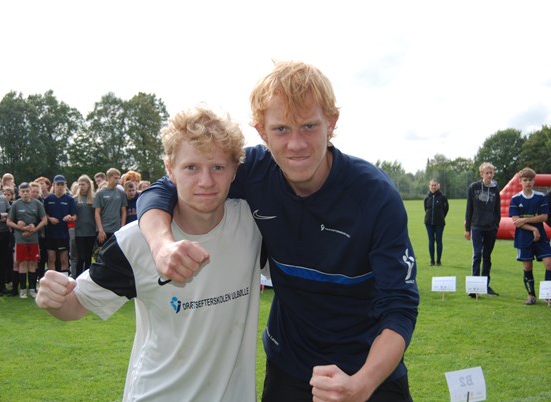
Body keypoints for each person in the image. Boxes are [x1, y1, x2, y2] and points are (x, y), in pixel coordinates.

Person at [137, 61, 419, 401]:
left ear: (331, 123)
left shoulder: (374, 195)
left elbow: (400, 307)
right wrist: (162, 245)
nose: (296, 144)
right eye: (282, 129)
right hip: (289, 369)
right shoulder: (254, 172)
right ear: (261, 131)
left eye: (309, 126)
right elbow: (165, 187)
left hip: (370, 373)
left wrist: (361, 384)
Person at [36, 106, 262, 401]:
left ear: (234, 171)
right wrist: (53, 299)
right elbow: (76, 305)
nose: (205, 181)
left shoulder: (253, 224)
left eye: (217, 167)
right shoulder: (135, 242)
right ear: (170, 170)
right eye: (191, 167)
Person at [509, 167, 551, 305]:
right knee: (527, 267)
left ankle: (548, 294)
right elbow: (516, 222)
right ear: (520, 182)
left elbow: (544, 217)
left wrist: (525, 220)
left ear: (534, 181)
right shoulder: (515, 199)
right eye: (525, 180)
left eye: (530, 180)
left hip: (541, 237)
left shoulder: (540, 197)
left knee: (549, 264)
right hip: (523, 238)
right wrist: (533, 228)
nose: (528, 182)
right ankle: (531, 295)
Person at [465, 162, 501, 297]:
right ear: (481, 174)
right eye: (487, 172)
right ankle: (474, 287)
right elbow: (469, 208)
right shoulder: (473, 187)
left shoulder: (495, 189)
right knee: (477, 255)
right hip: (476, 226)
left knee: (487, 256)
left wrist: (495, 225)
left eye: (491, 172)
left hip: (491, 228)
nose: (489, 175)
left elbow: (498, 210)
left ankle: (485, 286)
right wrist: (467, 228)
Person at [7, 182, 47, 298]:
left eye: (27, 191)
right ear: (19, 193)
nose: (25, 193)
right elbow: (9, 222)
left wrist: (34, 230)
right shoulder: (16, 205)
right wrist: (21, 228)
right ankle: (23, 289)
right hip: (20, 240)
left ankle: (32, 289)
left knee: (33, 263)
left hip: (34, 239)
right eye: (22, 192)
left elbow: (44, 220)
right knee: (23, 263)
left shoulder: (37, 204)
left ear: (31, 192)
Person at [44, 175, 77, 276]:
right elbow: (44, 215)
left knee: (64, 259)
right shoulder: (48, 199)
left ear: (65, 185)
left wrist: (70, 217)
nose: (60, 187)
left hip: (63, 234)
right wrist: (50, 219)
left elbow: (75, 216)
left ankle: (64, 281)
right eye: (58, 184)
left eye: (62, 184)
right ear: (53, 185)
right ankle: (51, 282)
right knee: (51, 259)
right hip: (50, 233)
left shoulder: (69, 199)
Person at [93, 168, 126, 246]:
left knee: (115, 253)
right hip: (104, 229)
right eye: (115, 178)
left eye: (119, 178)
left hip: (117, 229)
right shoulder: (100, 194)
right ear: (108, 178)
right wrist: (100, 230)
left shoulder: (121, 193)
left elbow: (124, 212)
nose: (117, 180)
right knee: (102, 253)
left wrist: (122, 228)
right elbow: (97, 213)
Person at [73, 175, 97, 278]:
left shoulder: (94, 199)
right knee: (80, 257)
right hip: (79, 231)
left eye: (83, 184)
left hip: (91, 231)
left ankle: (87, 278)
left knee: (88, 257)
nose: (81, 186)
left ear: (88, 185)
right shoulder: (74, 199)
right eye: (80, 185)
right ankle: (78, 277)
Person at [424, 179, 449, 266]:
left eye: (435, 185)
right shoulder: (427, 198)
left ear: (438, 186)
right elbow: (426, 209)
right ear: (429, 186)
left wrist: (441, 217)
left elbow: (446, 209)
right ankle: (432, 261)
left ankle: (438, 261)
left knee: (439, 240)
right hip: (428, 223)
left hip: (439, 223)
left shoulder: (443, 197)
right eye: (432, 185)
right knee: (431, 241)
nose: (433, 187)